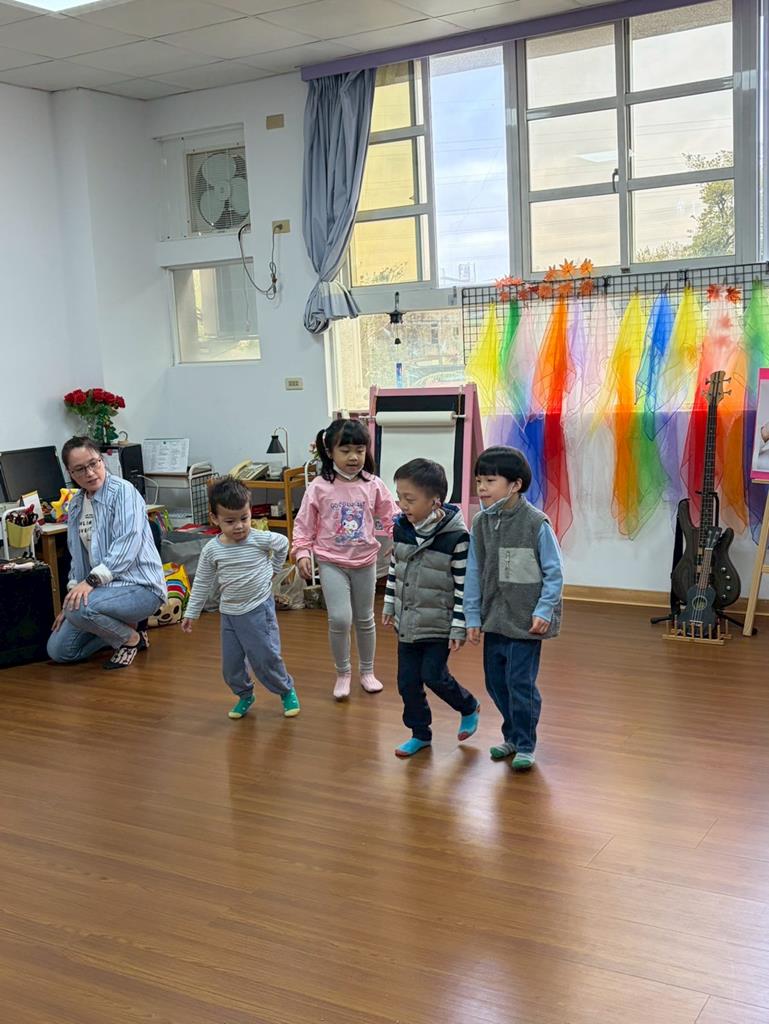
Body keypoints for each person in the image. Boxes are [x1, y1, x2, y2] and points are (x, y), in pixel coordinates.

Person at [464, 446, 563, 772]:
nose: (482, 488)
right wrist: (472, 616)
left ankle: (525, 742)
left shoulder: (536, 523)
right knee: (495, 682)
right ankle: (512, 734)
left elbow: (554, 572)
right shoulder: (480, 523)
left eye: (490, 481)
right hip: (494, 619)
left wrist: (544, 610)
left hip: (526, 621)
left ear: (515, 485)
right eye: (479, 481)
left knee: (520, 683)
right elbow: (474, 572)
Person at [292, 418, 398, 700]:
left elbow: (392, 516)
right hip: (331, 562)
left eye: (360, 450)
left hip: (365, 561)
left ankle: (367, 671)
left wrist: (400, 539)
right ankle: (343, 673)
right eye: (346, 450)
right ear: (330, 452)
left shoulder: (373, 484)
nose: (354, 457)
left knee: (365, 619)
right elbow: (303, 525)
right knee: (340, 619)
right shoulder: (318, 487)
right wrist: (301, 552)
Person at [383, 458, 480, 759]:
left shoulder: (456, 538)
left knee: (433, 675)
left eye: (409, 499)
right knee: (407, 683)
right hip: (407, 621)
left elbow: (464, 586)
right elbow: (395, 569)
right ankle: (420, 734)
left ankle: (468, 705)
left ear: (435, 500)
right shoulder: (402, 529)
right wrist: (389, 604)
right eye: (399, 497)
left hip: (439, 623)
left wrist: (459, 625)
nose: (402, 505)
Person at [181, 476, 300, 721]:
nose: (239, 526)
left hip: (258, 609)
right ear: (214, 518)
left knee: (266, 657)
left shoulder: (259, 538)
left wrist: (273, 569)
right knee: (231, 666)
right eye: (230, 521)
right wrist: (191, 612)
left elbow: (283, 543)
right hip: (229, 614)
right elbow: (202, 582)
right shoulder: (211, 550)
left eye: (244, 518)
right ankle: (245, 694)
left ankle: (286, 690)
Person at [47, 436, 166, 669]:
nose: (90, 473)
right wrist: (70, 602)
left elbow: (126, 546)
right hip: (102, 592)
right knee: (59, 651)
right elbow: (78, 559)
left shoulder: (124, 491)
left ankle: (129, 639)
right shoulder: (76, 504)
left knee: (80, 609)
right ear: (70, 474)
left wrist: (88, 587)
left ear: (102, 460)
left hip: (141, 587)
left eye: (94, 463)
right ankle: (128, 632)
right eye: (80, 469)